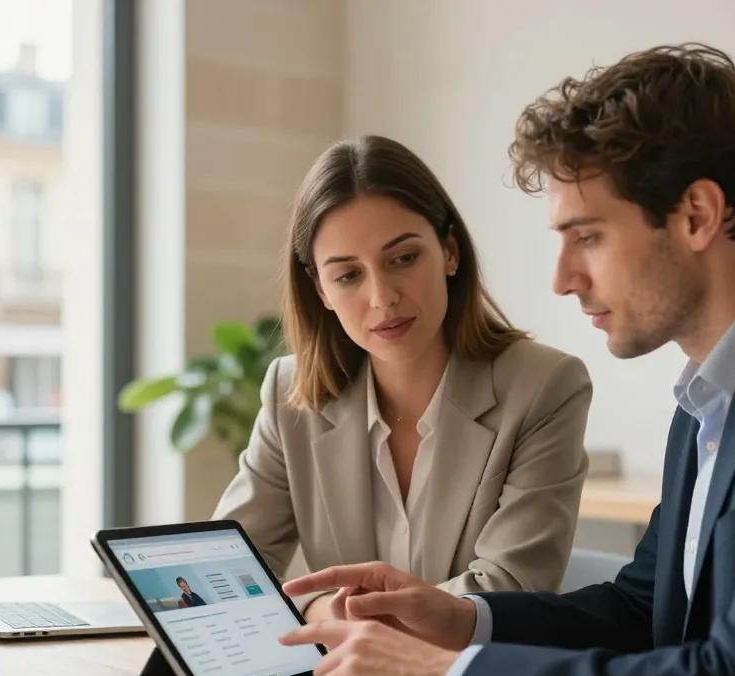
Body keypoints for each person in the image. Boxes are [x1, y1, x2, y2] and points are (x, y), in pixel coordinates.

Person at [277, 44, 735, 676]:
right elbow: (641, 613)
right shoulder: (715, 390)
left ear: (697, 214)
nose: (561, 279)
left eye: (586, 236)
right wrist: (459, 620)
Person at [212, 135, 592, 621]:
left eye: (404, 259)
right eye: (348, 275)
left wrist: (322, 613)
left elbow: (510, 588)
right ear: (320, 290)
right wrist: (320, 609)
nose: (383, 298)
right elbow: (226, 573)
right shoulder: (291, 396)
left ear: (449, 251)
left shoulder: (545, 386)